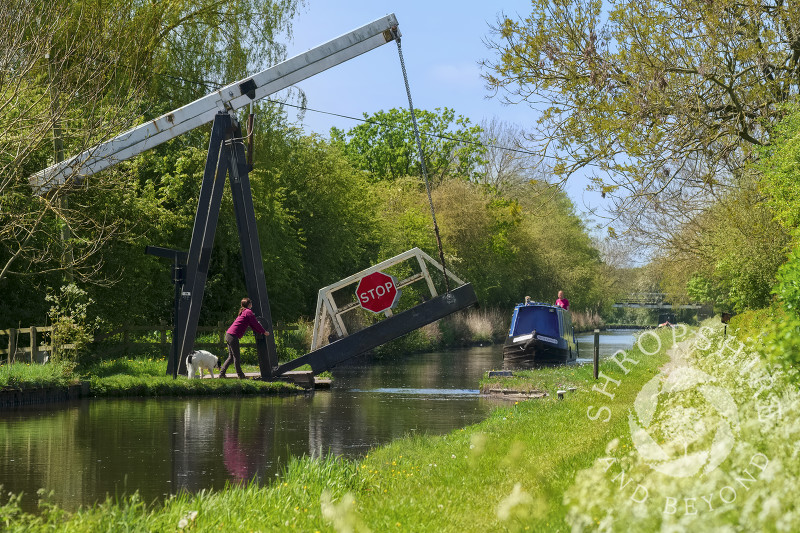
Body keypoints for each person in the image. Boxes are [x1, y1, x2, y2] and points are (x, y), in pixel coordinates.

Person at [220, 297, 269, 379]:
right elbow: (256, 324)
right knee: (236, 357)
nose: (252, 305)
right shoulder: (248, 312)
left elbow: (252, 325)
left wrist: (260, 331)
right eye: (251, 303)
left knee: (231, 357)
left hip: (229, 334)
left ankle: (222, 374)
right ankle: (240, 376)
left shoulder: (244, 312)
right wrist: (264, 331)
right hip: (233, 336)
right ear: (249, 304)